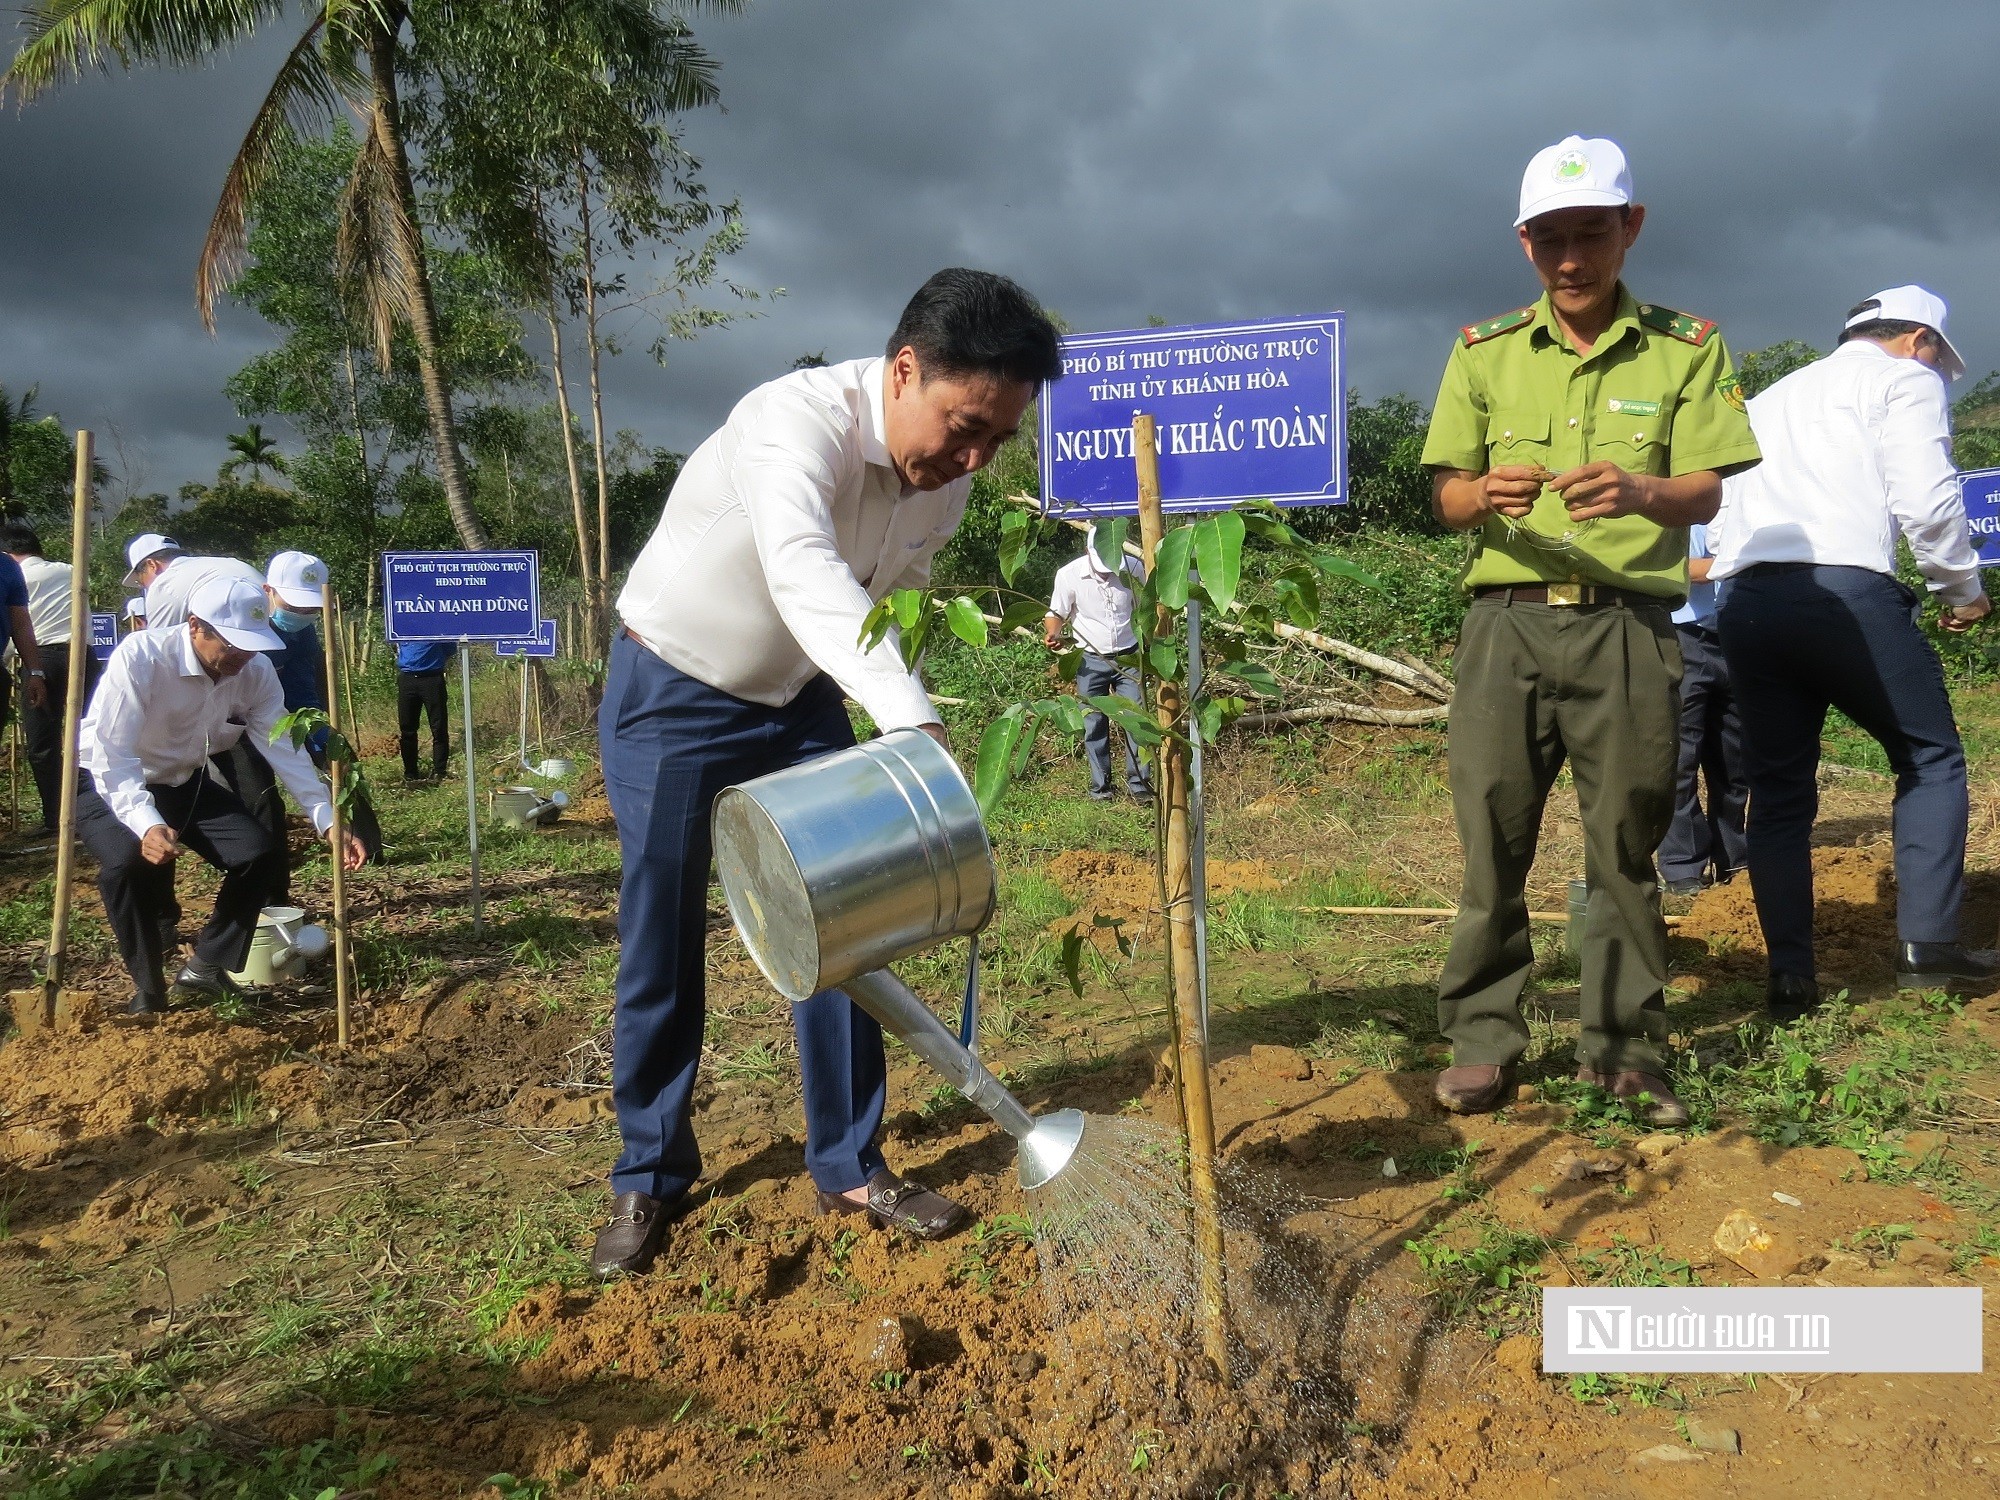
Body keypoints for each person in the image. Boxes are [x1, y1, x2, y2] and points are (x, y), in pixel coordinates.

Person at [593, 267, 1061, 1277]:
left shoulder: (950, 474)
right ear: (903, 371)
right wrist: (907, 717)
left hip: (799, 697)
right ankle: (648, 1176)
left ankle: (850, 1160)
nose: (973, 455)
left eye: (996, 440)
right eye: (963, 424)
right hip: (675, 692)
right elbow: (799, 567)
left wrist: (901, 703)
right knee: (661, 934)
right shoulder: (787, 422)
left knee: (845, 920)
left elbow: (902, 604)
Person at [1420, 135, 1761, 1125]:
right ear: (1523, 242)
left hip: (1626, 629)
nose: (1570, 260)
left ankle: (1621, 1048)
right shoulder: (1481, 352)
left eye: (1591, 235)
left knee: (1623, 849)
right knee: (1491, 840)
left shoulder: (1685, 348)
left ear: (1629, 228)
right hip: (1504, 629)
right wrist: (1479, 492)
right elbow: (1443, 494)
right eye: (1549, 241)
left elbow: (1705, 488)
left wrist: (1644, 489)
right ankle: (1482, 1039)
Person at [1711, 286, 1997, 1017]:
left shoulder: (1770, 397)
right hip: (1844, 593)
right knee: (1929, 759)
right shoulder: (1905, 379)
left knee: (1776, 793)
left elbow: (1722, 514)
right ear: (1918, 341)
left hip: (1745, 600)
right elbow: (1929, 500)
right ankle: (1929, 950)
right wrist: (1958, 588)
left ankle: (1790, 975)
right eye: (1937, 356)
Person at [75, 575, 366, 1013]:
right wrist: (146, 822)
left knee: (259, 852)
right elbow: (112, 754)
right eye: (231, 645)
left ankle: (206, 967)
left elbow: (281, 746)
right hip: (107, 783)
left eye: (251, 645)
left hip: (184, 782)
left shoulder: (254, 671)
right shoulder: (142, 658)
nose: (242, 656)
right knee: (125, 865)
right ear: (196, 626)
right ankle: (149, 990)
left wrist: (325, 817)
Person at [248, 551, 385, 892]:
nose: (303, 614)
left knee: (341, 761)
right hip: (244, 719)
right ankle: (266, 872)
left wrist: (318, 731)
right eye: (294, 606)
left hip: (291, 709)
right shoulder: (245, 625)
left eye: (311, 608)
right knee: (260, 793)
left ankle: (369, 845)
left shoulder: (303, 631)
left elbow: (301, 684)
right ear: (268, 591)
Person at [1657, 523, 1747, 897]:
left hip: (1738, 630)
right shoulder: (1677, 498)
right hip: (1683, 631)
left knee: (1735, 760)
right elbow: (1671, 566)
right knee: (1681, 756)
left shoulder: (1749, 492)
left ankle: (1735, 858)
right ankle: (1683, 866)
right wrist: (1733, 565)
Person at [1044, 526, 1154, 801]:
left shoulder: (1133, 569)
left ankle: (1141, 786)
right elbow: (1056, 612)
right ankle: (1100, 789)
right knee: (1093, 723)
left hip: (1130, 657)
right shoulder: (1069, 575)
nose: (1107, 571)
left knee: (1137, 720)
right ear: (1087, 552)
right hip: (1091, 659)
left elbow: (1146, 608)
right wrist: (1054, 634)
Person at [2, 523, 84, 833]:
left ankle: (56, 818)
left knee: (42, 742)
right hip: (83, 657)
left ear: (9, 553)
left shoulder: (14, 575)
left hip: (43, 659)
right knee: (87, 737)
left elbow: (16, 627)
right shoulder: (71, 569)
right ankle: (93, 813)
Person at [395, 638, 456, 783]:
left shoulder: (436, 627)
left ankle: (439, 772)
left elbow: (450, 649)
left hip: (432, 679)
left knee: (439, 727)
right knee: (407, 729)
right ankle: (410, 773)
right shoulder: (404, 628)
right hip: (407, 679)